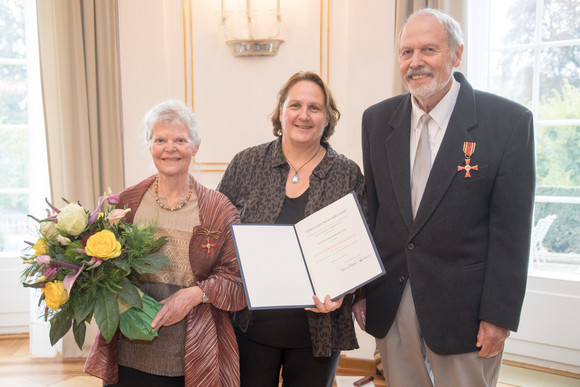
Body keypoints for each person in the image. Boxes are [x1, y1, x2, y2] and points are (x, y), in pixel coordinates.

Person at [355, 8, 535, 387]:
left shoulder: (507, 122)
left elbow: (512, 235)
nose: (415, 62)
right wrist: (360, 289)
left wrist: (498, 315)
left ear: (456, 55)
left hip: (465, 311)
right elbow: (374, 215)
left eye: (428, 50)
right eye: (406, 52)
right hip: (393, 299)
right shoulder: (376, 120)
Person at [217, 71, 366, 387]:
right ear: (280, 111)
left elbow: (361, 248)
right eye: (295, 105)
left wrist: (345, 289)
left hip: (320, 329)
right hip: (250, 325)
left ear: (327, 118)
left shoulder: (346, 173)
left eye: (315, 107)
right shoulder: (246, 164)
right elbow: (218, 232)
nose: (304, 115)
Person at [84, 100, 247, 386]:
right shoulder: (126, 203)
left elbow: (240, 280)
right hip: (131, 349)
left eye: (180, 140)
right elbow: (103, 269)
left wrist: (194, 295)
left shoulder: (219, 209)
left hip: (194, 351)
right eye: (160, 139)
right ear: (149, 145)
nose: (170, 148)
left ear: (195, 146)